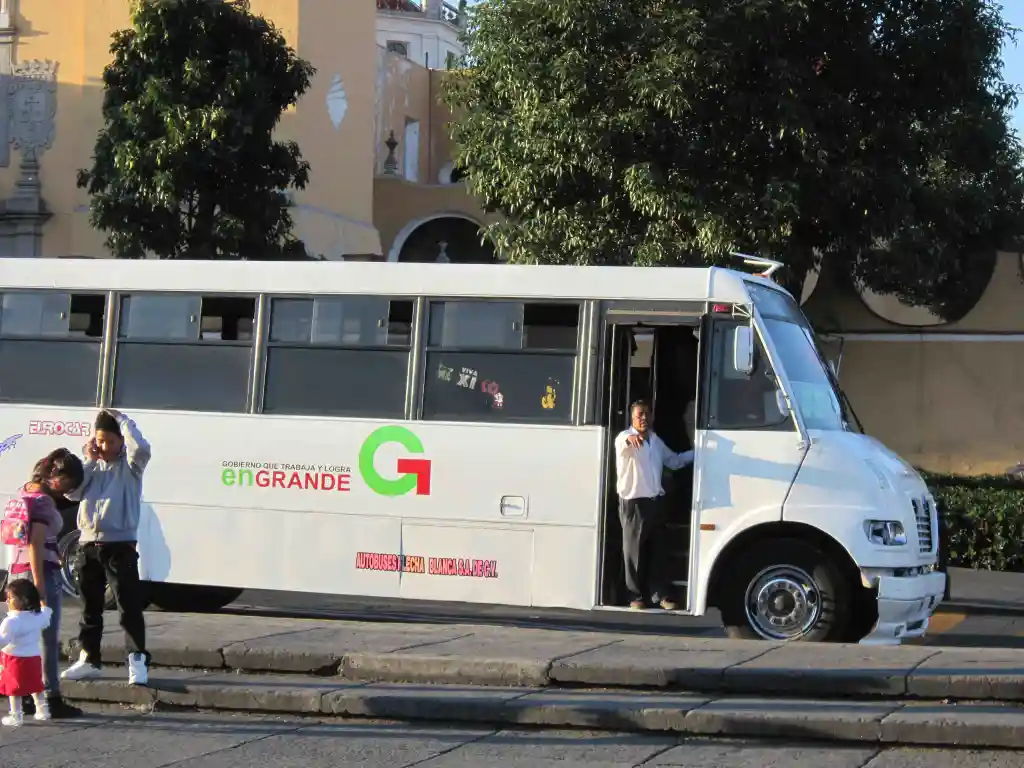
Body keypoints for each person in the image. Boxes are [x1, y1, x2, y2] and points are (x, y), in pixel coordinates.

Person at [61, 409, 152, 686]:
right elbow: (72, 493)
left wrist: (124, 423)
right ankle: (89, 659)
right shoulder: (91, 466)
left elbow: (142, 448)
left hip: (119, 545)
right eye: (100, 440)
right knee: (90, 607)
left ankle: (137, 661)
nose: (105, 446)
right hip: (88, 543)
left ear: (121, 442)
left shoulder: (131, 466)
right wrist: (88, 461)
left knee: (128, 606)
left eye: (110, 441)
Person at [3, 448, 85, 719]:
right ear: (54, 475)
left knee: (19, 638)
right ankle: (50, 697)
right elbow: (36, 543)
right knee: (45, 639)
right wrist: (40, 588)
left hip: (16, 573)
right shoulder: (44, 501)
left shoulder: (24, 491)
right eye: (67, 483)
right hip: (37, 575)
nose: (67, 491)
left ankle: (23, 694)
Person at [614, 399, 694, 611]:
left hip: (655, 503)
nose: (643, 418)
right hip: (633, 504)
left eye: (647, 414)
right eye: (639, 414)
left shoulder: (655, 441)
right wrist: (631, 439)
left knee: (658, 552)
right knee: (633, 553)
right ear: (632, 417)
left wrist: (700, 452)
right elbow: (624, 444)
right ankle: (634, 596)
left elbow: (675, 461)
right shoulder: (624, 437)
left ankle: (660, 595)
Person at [0, 580, 54, 725]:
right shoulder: (36, 617)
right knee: (36, 685)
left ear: (23, 600)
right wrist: (44, 603)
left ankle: (16, 715)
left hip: (14, 659)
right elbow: (47, 618)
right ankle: (43, 711)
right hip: (34, 658)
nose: (7, 600)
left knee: (14, 689)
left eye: (10, 597)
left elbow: (3, 641)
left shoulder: (11, 621)